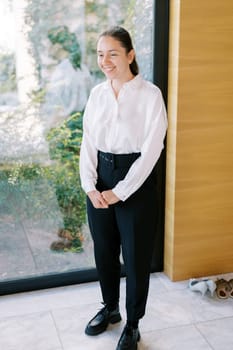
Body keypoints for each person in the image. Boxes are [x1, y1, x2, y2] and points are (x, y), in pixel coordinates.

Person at [79, 26, 167, 350]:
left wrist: (121, 191)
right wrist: (90, 186)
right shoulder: (96, 95)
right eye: (101, 54)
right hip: (101, 177)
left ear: (130, 55)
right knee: (104, 251)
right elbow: (88, 142)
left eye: (112, 53)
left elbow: (152, 151)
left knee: (135, 257)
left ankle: (132, 324)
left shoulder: (150, 95)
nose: (105, 61)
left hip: (137, 183)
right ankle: (110, 308)